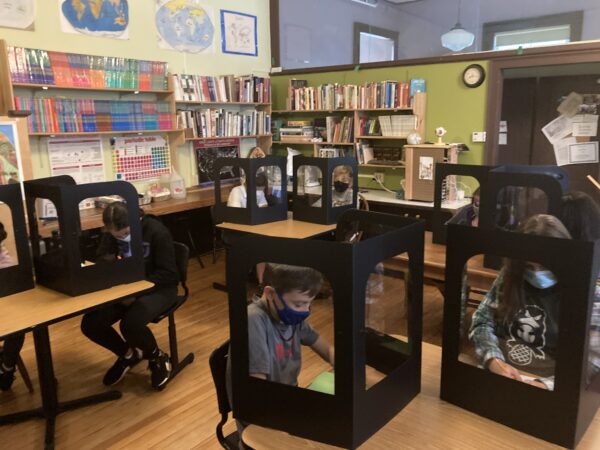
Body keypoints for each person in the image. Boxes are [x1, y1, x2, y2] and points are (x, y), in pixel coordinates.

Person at [469, 214, 583, 391]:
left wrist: (545, 384)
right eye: (529, 267)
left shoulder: (582, 290)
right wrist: (493, 359)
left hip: (552, 380)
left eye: (545, 266)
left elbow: (590, 361)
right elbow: (482, 321)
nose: (536, 273)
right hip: (504, 370)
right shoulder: (509, 277)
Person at [227, 263, 334, 440]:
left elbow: (328, 349)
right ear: (270, 293)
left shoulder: (290, 316)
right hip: (259, 420)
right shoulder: (253, 320)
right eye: (299, 304)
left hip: (285, 405)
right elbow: (258, 391)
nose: (305, 311)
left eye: (308, 304)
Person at [80, 203, 179, 390]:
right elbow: (102, 258)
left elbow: (169, 274)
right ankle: (128, 354)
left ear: (135, 222)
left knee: (130, 323)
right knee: (91, 323)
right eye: (116, 236)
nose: (121, 238)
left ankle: (157, 356)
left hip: (159, 288)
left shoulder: (157, 232)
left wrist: (136, 292)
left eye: (124, 234)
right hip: (124, 289)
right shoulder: (111, 233)